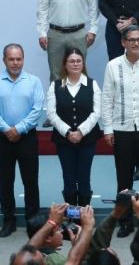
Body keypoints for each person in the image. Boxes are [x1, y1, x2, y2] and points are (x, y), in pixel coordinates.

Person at [100, 26, 139, 233]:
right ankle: (125, 221)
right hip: (122, 128)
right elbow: (107, 99)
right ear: (123, 42)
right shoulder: (112, 66)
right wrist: (108, 129)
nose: (136, 43)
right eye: (131, 40)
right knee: (124, 179)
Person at [45, 48, 101, 209]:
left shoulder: (92, 84)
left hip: (87, 139)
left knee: (84, 177)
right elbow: (51, 113)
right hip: (64, 141)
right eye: (71, 61)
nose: (75, 64)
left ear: (83, 63)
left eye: (78, 61)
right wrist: (68, 132)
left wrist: (81, 131)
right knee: (68, 178)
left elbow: (97, 112)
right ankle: (71, 215)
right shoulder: (55, 86)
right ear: (65, 64)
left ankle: (84, 214)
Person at [0, 44, 44, 238]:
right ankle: (8, 220)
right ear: (4, 60)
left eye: (19, 59)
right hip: (2, 138)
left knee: (31, 181)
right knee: (4, 182)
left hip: (27, 138)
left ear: (23, 59)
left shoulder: (34, 81)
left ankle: (32, 222)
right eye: (11, 59)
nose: (15, 63)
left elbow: (37, 109)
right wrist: (6, 129)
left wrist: (19, 129)